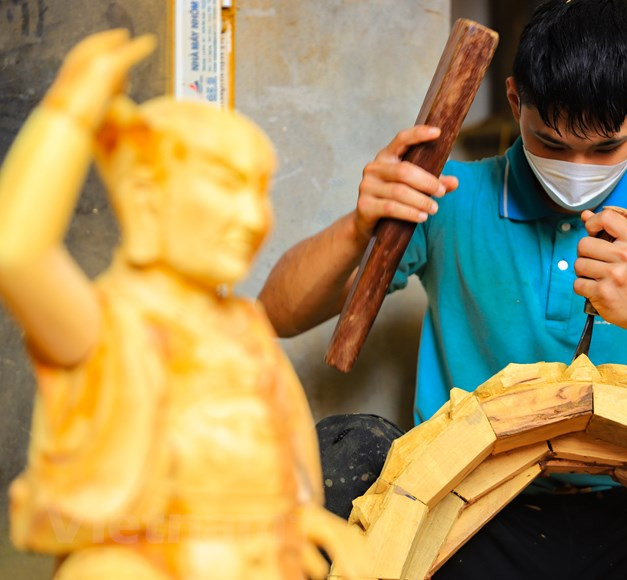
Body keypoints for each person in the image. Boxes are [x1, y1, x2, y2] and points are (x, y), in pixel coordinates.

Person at [259, 1, 627, 578]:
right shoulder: (445, 196)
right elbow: (279, 313)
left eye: (606, 148)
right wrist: (358, 224)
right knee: (344, 449)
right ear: (516, 100)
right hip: (465, 515)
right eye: (552, 143)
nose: (577, 167)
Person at [0, 30, 362, 579]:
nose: (252, 218)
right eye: (225, 185)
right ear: (147, 194)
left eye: (259, 191)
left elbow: (291, 473)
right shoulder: (109, 323)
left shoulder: (245, 328)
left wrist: (302, 522)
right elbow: (18, 252)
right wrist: (70, 110)